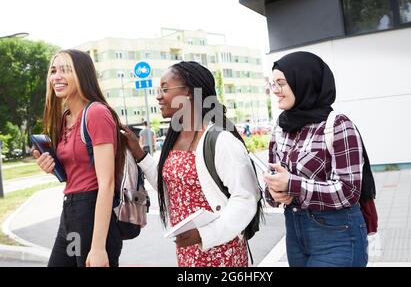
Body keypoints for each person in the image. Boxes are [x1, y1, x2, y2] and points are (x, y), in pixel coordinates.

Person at [121, 61, 260, 267]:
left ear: (188, 93)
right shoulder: (175, 138)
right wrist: (139, 153)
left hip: (222, 252)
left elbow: (246, 198)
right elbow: (169, 185)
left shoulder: (221, 139)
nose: (158, 96)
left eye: (165, 89)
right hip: (189, 253)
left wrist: (205, 234)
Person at [263, 51, 375, 267]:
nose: (275, 90)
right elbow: (272, 180)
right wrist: (274, 192)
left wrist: (292, 184)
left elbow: (349, 191)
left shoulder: (338, 125)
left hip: (338, 235)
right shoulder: (281, 127)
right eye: (272, 84)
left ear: (303, 81)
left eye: (281, 83)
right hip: (295, 234)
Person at [33, 49, 124, 267]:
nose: (56, 76)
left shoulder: (96, 113)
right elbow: (76, 171)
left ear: (82, 75)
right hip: (71, 212)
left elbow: (107, 183)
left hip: (92, 214)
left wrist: (98, 246)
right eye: (53, 70)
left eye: (65, 70)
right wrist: (51, 167)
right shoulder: (65, 118)